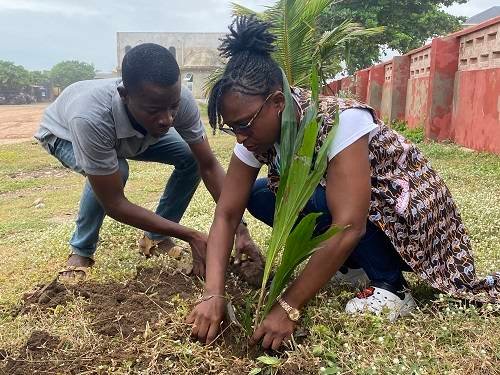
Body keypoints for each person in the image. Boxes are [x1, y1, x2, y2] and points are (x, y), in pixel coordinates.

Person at [187, 16, 500, 349]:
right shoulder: (254, 137)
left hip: (407, 209)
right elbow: (226, 214)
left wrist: (288, 306)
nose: (240, 136)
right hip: (358, 209)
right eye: (232, 128)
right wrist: (213, 293)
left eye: (245, 125)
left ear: (277, 103)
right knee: (262, 195)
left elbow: (350, 224)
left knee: (334, 203)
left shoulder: (340, 120)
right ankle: (354, 267)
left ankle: (391, 287)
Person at [34, 43, 261, 281]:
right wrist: (191, 235)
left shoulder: (177, 101)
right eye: (154, 109)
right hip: (64, 134)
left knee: (191, 158)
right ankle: (81, 251)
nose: (167, 119)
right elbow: (115, 203)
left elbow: (208, 164)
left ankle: (155, 237)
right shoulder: (90, 118)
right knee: (116, 171)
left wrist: (240, 228)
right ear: (125, 95)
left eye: (172, 108)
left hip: (136, 132)